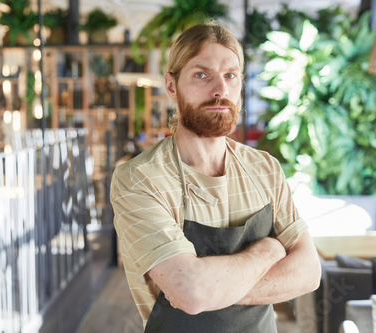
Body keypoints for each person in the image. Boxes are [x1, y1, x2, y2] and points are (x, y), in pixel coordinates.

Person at [110, 23, 321, 332]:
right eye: (201, 75)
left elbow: (308, 273)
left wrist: (215, 288)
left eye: (230, 75)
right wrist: (268, 250)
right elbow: (192, 293)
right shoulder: (141, 178)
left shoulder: (265, 169)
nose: (220, 89)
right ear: (172, 85)